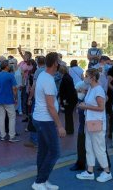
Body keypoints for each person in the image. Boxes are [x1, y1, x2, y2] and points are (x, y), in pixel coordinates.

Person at [31, 52, 66, 190]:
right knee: (55, 152)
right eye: (60, 61)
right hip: (46, 120)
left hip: (39, 118)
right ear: (55, 63)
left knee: (44, 152)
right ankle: (39, 182)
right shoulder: (49, 80)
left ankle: (42, 180)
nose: (61, 64)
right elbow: (50, 106)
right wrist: (59, 126)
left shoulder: (42, 76)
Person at [76, 68, 112, 183]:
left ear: (92, 77)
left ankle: (107, 172)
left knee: (99, 148)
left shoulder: (98, 90)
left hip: (96, 122)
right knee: (89, 147)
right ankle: (89, 171)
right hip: (90, 121)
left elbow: (101, 108)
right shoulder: (92, 88)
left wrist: (85, 106)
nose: (84, 77)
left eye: (86, 76)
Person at [0, 60, 19, 142]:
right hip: (8, 99)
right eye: (9, 65)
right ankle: (12, 136)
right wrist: (16, 98)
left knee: (1, 117)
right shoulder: (10, 76)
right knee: (12, 117)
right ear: (7, 66)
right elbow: (14, 88)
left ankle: (2, 135)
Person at [59, 65, 77, 135]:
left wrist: (65, 100)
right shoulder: (67, 77)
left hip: (69, 100)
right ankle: (69, 129)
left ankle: (69, 130)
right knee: (68, 115)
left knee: (68, 115)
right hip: (71, 99)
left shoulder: (65, 78)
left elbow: (68, 91)